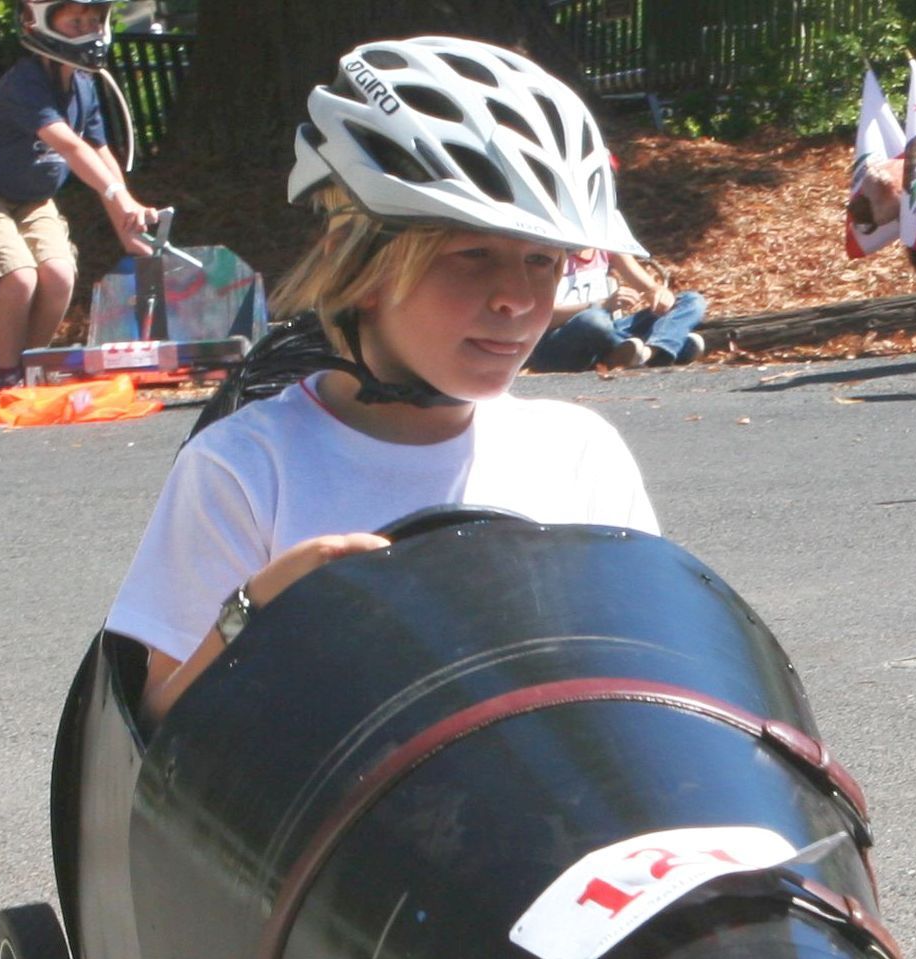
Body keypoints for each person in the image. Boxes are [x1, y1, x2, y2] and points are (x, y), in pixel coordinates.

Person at [106, 35, 659, 725]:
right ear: (357, 266)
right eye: (472, 254)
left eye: (543, 261)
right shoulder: (247, 467)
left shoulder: (581, 455)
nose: (516, 297)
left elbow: (655, 685)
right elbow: (155, 731)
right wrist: (257, 609)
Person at [0, 1, 158, 395]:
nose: (90, 30)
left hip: (33, 199)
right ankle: (5, 379)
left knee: (60, 275)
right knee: (19, 277)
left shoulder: (82, 83)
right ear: (35, 22)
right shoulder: (24, 82)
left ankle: (31, 366)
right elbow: (70, 146)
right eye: (76, 21)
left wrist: (126, 220)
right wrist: (117, 196)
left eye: (95, 21)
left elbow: (98, 151)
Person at [526, 247, 706, 370]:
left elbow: (649, 287)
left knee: (691, 301)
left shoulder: (605, 246)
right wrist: (601, 304)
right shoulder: (550, 255)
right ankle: (670, 347)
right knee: (593, 320)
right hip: (559, 342)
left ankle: (649, 351)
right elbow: (540, 315)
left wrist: (658, 294)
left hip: (609, 330)